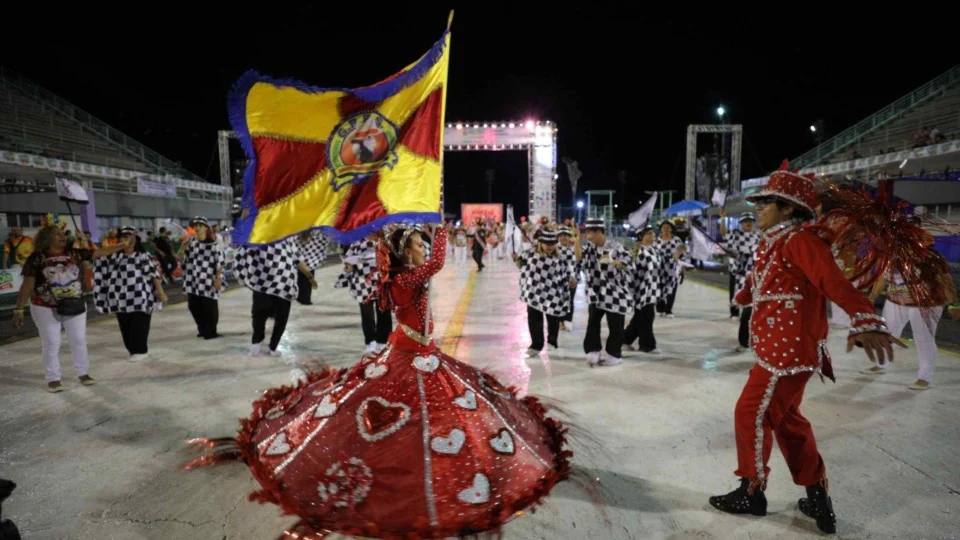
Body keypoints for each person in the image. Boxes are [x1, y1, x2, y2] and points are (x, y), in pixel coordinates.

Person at [183, 224, 571, 539]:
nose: (423, 249)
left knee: (434, 413)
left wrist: (430, 232)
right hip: (410, 356)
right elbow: (436, 261)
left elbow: (430, 265)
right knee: (407, 416)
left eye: (421, 243)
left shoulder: (404, 276)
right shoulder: (405, 279)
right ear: (407, 254)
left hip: (421, 352)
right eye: (418, 245)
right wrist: (437, 227)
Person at [709, 162, 903, 535]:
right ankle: (817, 499)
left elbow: (831, 281)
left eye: (766, 203)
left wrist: (865, 317)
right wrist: (749, 292)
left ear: (788, 208)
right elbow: (769, 278)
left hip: (787, 352)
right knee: (788, 424)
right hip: (780, 350)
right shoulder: (777, 241)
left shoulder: (800, 240)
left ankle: (751, 491)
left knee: (750, 412)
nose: (758, 208)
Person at [12, 228, 125, 392]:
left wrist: (122, 245)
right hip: (45, 307)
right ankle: (53, 378)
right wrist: (18, 309)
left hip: (74, 305)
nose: (62, 236)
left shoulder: (75, 254)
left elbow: (100, 252)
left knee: (78, 340)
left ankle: (83, 373)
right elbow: (28, 283)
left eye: (63, 234)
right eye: (56, 234)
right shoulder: (37, 258)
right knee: (51, 343)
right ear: (46, 238)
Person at [863, 236, 956, 390]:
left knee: (923, 339)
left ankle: (924, 377)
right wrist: (872, 298)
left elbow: (945, 280)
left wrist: (954, 303)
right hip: (895, 302)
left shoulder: (932, 258)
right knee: (886, 333)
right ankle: (882, 363)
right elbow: (883, 278)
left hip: (926, 305)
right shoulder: (892, 257)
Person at [93, 226, 168, 362]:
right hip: (120, 298)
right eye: (123, 236)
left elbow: (154, 275)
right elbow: (97, 255)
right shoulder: (114, 256)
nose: (126, 239)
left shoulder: (143, 256)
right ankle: (133, 350)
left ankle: (141, 350)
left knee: (139, 325)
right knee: (125, 326)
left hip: (140, 297)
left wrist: (160, 291)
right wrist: (119, 246)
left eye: (129, 236)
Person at [235, 237, 316, 357]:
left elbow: (298, 260)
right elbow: (243, 254)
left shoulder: (287, 239)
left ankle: (273, 346)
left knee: (282, 318)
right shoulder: (258, 236)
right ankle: (257, 341)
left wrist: (310, 276)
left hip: (284, 284)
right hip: (263, 283)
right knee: (259, 314)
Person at [513, 229, 575, 355]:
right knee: (534, 319)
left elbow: (568, 271)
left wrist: (572, 278)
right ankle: (536, 345)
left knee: (553, 319)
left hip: (553, 293)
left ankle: (552, 341)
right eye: (547, 244)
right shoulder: (529, 253)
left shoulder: (561, 256)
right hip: (534, 292)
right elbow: (522, 266)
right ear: (540, 243)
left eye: (553, 244)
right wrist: (516, 260)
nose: (550, 247)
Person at [581, 217, 633, 366]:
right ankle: (593, 350)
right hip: (596, 292)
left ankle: (614, 354)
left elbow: (628, 262)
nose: (587, 236)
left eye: (589, 233)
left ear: (598, 232)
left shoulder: (615, 246)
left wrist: (615, 262)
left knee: (615, 325)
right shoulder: (590, 247)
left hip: (614, 292)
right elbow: (579, 259)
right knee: (593, 322)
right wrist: (576, 241)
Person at [336, 236, 392, 354]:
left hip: (381, 281)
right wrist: (348, 266)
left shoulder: (383, 241)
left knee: (383, 311)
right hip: (362, 285)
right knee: (367, 314)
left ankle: (383, 340)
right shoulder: (355, 244)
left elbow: (391, 258)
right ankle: (370, 340)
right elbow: (348, 264)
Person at [177, 217, 225, 340]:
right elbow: (180, 259)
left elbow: (220, 263)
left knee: (209, 308)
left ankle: (211, 331)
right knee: (193, 306)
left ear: (205, 228)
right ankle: (202, 328)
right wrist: (182, 248)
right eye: (195, 225)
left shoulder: (213, 244)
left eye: (200, 225)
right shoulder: (190, 243)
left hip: (208, 281)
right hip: (192, 280)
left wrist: (218, 278)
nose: (197, 227)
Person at [720, 211, 759, 351]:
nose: (748, 223)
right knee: (738, 296)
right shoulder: (735, 234)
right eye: (745, 221)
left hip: (755, 276)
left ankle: (752, 338)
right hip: (739, 273)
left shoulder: (758, 236)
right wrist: (723, 218)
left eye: (750, 221)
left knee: (752, 306)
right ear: (741, 223)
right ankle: (735, 312)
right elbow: (724, 233)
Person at [623, 225, 661, 354]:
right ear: (641, 236)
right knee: (646, 316)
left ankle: (625, 340)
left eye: (653, 233)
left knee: (641, 317)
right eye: (648, 234)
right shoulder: (638, 251)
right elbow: (633, 269)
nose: (652, 236)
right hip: (642, 290)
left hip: (652, 289)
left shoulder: (653, 250)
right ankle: (647, 345)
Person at [655, 221, 683, 318]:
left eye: (668, 227)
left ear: (671, 229)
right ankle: (659, 308)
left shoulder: (676, 240)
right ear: (661, 229)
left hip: (672, 268)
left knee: (671, 289)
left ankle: (669, 310)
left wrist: (678, 254)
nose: (666, 229)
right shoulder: (656, 240)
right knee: (659, 288)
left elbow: (682, 252)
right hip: (659, 269)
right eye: (664, 227)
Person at [557, 225, 582, 332]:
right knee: (559, 300)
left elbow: (578, 258)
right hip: (558, 280)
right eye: (561, 236)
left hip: (572, 280)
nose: (563, 238)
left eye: (566, 235)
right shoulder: (555, 249)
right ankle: (560, 321)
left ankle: (567, 321)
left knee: (569, 300)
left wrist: (577, 241)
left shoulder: (574, 249)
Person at [295, 230, 328, 306]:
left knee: (301, 276)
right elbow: (321, 241)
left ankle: (300, 296)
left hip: (301, 257)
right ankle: (305, 298)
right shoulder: (314, 231)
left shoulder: (300, 231)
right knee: (308, 277)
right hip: (311, 258)